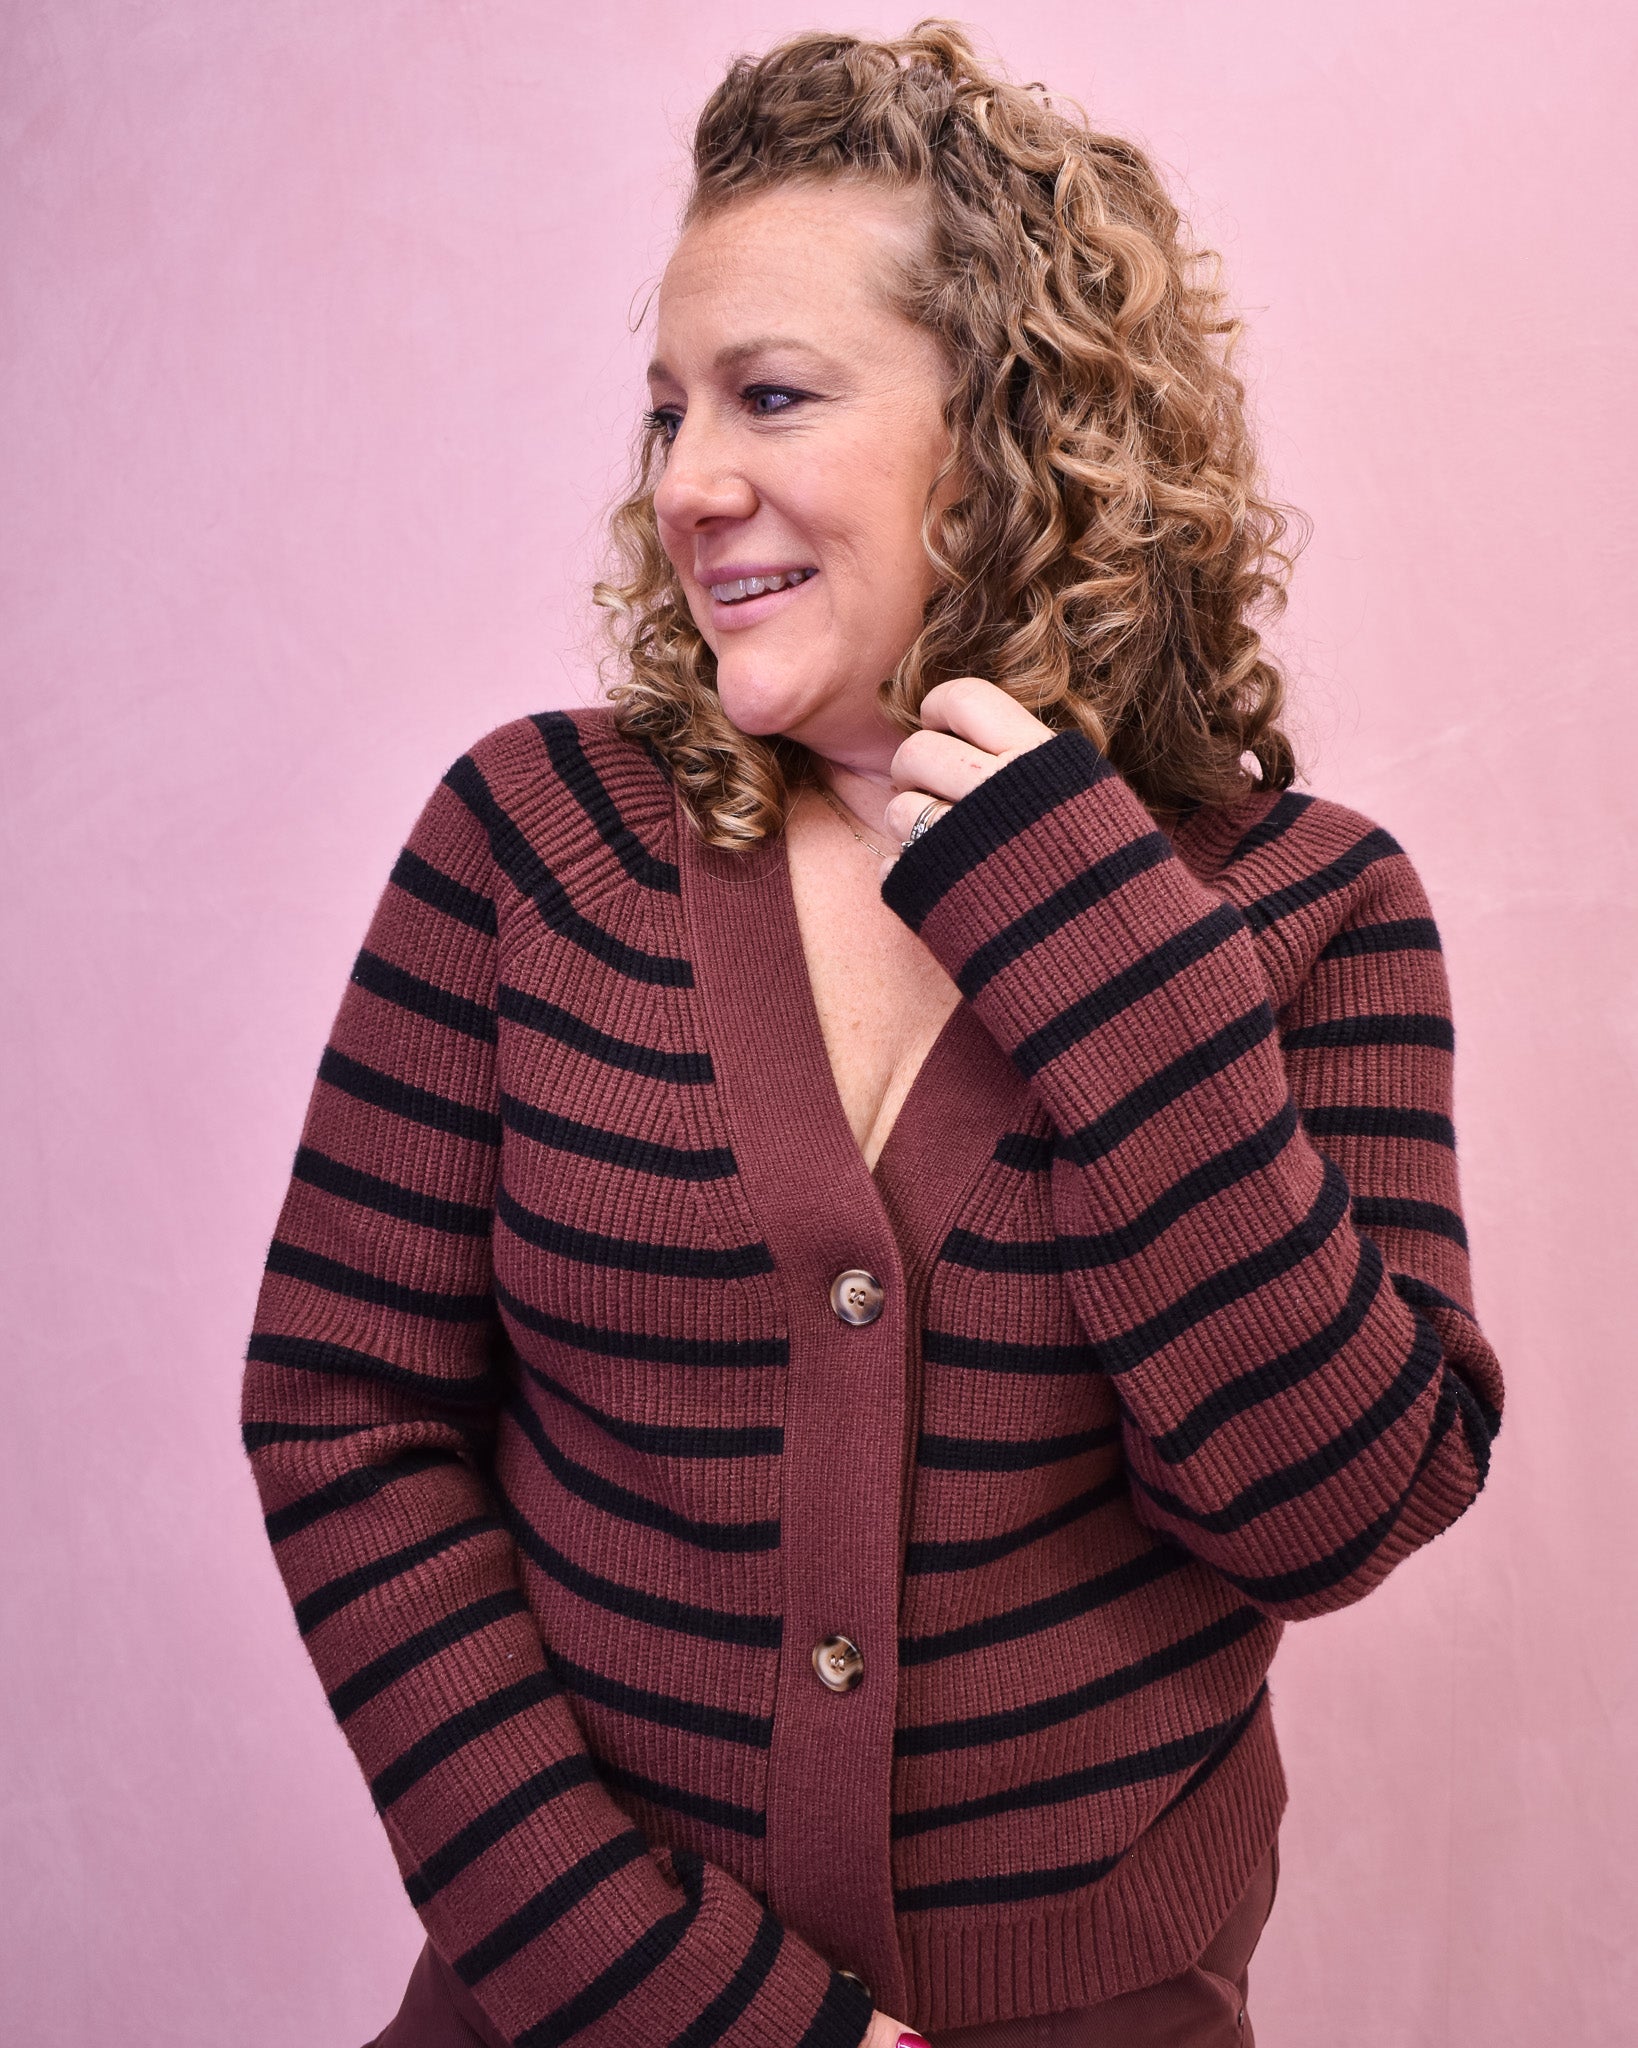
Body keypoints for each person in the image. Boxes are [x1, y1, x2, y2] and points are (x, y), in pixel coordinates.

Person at [241, 23, 1504, 2048]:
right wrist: (671, 1996)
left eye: (769, 396)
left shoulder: (1308, 907)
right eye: (667, 412)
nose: (686, 484)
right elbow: (343, 1426)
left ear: (1011, 428)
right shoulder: (529, 844)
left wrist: (1101, 946)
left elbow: (1326, 1511)